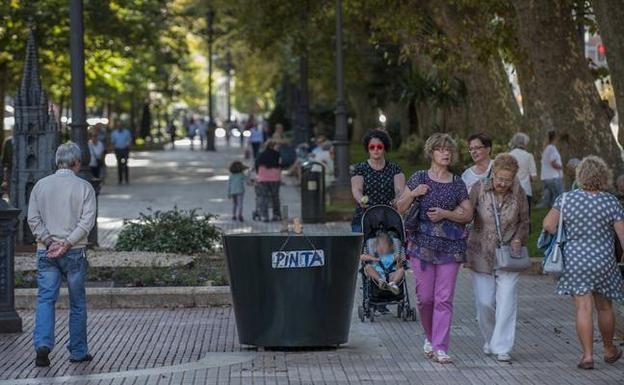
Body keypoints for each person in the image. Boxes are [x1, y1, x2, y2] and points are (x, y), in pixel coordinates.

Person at [396, 133, 473, 364]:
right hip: (421, 246)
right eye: (440, 149)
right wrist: (413, 192)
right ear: (431, 153)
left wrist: (446, 214)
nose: (446, 153)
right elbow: (399, 207)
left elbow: (468, 214)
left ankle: (440, 346)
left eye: (448, 149)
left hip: (451, 246)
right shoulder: (419, 177)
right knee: (425, 298)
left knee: (444, 298)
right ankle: (429, 337)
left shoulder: (457, 182)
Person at [542, 156, 624, 370]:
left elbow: (549, 225)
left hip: (576, 260)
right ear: (604, 177)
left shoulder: (566, 199)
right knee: (605, 307)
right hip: (604, 261)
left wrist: (569, 235)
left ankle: (587, 356)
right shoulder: (611, 202)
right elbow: (622, 236)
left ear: (580, 176)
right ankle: (608, 349)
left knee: (583, 308)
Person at [27, 142, 97, 367]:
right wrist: (67, 243)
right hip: (75, 252)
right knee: (77, 303)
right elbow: (87, 222)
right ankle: (78, 351)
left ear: (57, 161)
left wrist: (48, 240)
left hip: (45, 251)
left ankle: (42, 345)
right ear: (77, 162)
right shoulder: (84, 187)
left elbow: (33, 219)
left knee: (46, 299)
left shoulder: (40, 186)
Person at [466, 154, 529, 363]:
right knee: (485, 302)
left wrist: (519, 238)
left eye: (507, 180)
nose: (502, 183)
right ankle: (490, 338)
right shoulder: (478, 189)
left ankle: (502, 346)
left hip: (509, 254)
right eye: (499, 178)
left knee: (507, 301)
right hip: (481, 252)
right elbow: (466, 215)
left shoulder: (519, 192)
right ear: (492, 174)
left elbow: (525, 222)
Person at [350, 130, 405, 233]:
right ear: (368, 148)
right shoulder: (360, 168)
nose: (376, 150)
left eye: (379, 147)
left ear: (385, 148)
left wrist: (397, 199)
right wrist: (361, 199)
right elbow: (357, 189)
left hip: (388, 217)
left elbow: (400, 190)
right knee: (361, 248)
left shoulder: (395, 168)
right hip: (364, 216)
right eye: (372, 147)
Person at [508, 132, 537, 211]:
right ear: (525, 143)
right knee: (525, 218)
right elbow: (534, 178)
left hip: (511, 191)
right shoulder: (529, 156)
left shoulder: (509, 155)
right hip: (526, 191)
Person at [255, 140, 282, 222]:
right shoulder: (277, 154)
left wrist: (258, 174)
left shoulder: (261, 154)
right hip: (275, 178)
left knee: (264, 197)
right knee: (275, 197)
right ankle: (276, 215)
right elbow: (280, 165)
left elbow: (257, 164)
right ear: (273, 146)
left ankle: (264, 216)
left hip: (263, 178)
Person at [539, 130, 563, 208]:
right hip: (553, 177)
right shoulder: (552, 148)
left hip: (546, 177)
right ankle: (559, 216)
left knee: (548, 201)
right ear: (555, 138)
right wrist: (562, 167)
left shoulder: (546, 148)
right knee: (558, 198)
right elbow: (553, 163)